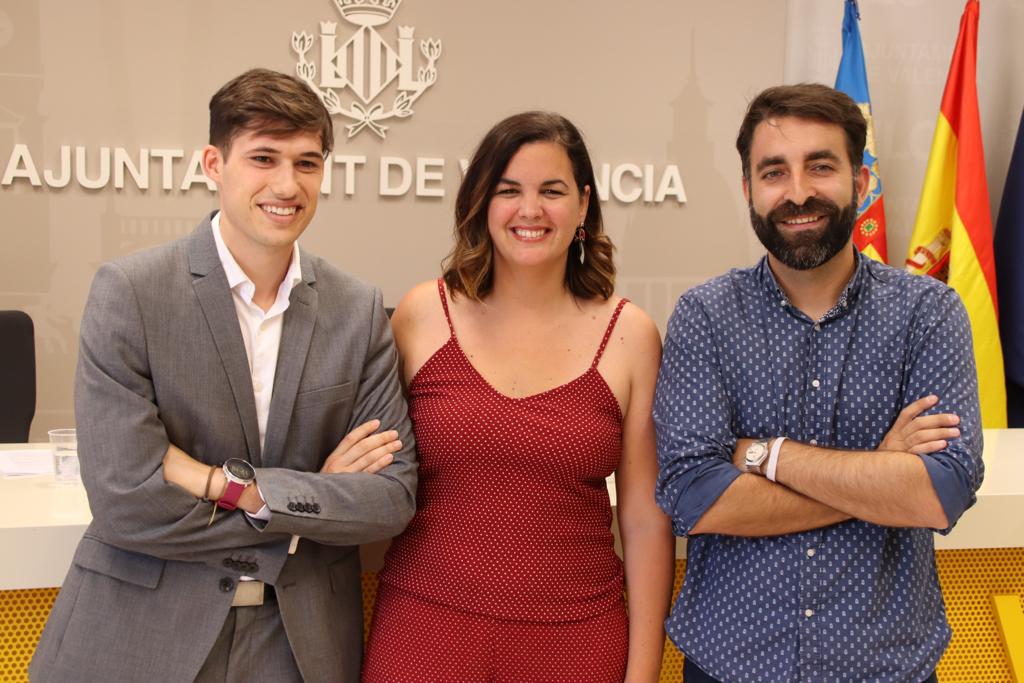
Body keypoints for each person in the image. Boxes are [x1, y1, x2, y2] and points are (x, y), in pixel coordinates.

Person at [29, 68, 417, 683]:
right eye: (263, 158)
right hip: (140, 638)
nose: (287, 185)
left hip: (296, 648)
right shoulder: (131, 292)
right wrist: (308, 505)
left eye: (307, 163)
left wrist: (226, 484)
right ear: (214, 163)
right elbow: (126, 501)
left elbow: (388, 500)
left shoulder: (357, 309)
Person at [654, 83, 983, 682]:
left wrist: (763, 454)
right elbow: (692, 496)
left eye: (820, 166)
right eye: (774, 171)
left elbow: (941, 491)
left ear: (860, 184)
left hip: (886, 667)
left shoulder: (929, 313)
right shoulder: (704, 316)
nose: (798, 192)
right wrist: (878, 474)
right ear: (748, 188)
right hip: (731, 664)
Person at [361, 111, 674, 682]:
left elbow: (645, 517)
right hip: (423, 633)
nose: (530, 210)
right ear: (483, 202)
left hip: (575, 643)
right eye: (509, 191)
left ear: (583, 205)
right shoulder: (421, 315)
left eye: (551, 191)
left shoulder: (631, 334)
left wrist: (645, 672)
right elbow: (372, 470)